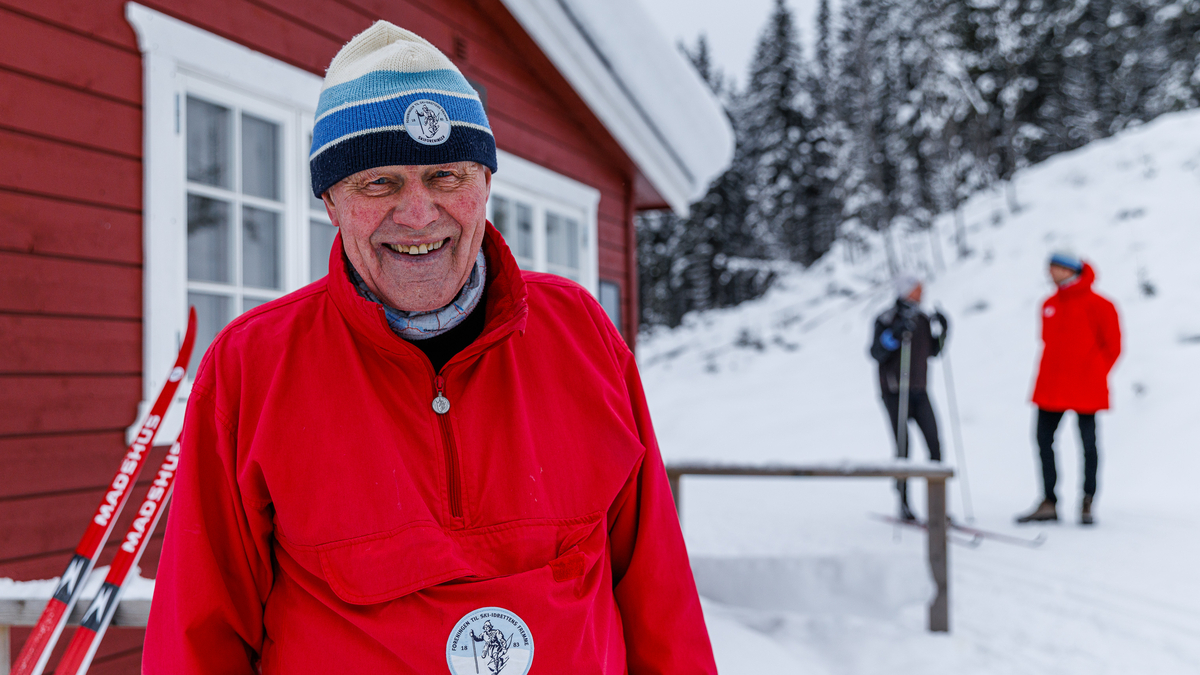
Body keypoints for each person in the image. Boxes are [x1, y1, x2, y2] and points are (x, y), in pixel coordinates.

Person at [143, 22, 717, 674]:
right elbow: (196, 639)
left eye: (446, 175)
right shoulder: (253, 367)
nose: (418, 215)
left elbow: (659, 601)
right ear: (330, 200)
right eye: (378, 182)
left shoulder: (583, 336)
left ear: (485, 186)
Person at [1016, 252, 1121, 525]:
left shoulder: (1100, 304)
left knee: (1088, 444)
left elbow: (1113, 345)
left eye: (1055, 267)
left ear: (1068, 270)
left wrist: (1095, 372)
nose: (1050, 272)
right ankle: (1049, 501)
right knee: (1043, 440)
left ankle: (1087, 500)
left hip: (1086, 385)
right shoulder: (1049, 303)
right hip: (1051, 386)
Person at [869, 275, 949, 521]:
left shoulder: (923, 319)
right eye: (917, 289)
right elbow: (876, 352)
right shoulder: (886, 318)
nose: (922, 293)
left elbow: (934, 351)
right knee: (903, 447)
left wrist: (944, 331)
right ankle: (903, 502)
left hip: (920, 390)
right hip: (895, 391)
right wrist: (894, 335)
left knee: (935, 445)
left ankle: (938, 506)